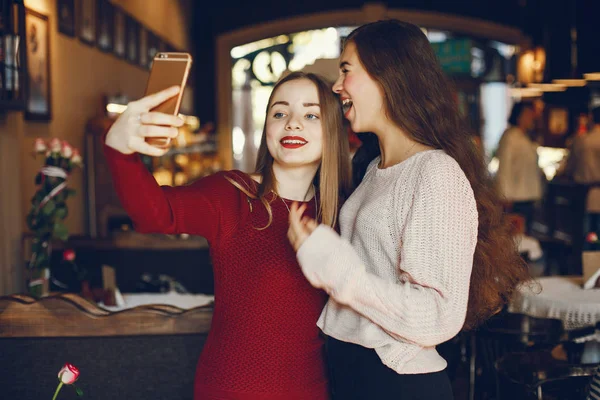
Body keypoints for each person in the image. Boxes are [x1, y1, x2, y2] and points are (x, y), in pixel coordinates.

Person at [286, 20, 530, 399]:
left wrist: (339, 272)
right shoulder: (373, 168)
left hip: (393, 380)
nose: (337, 86)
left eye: (346, 71)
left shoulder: (435, 173)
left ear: (387, 75)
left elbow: (437, 315)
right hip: (353, 369)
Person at [104, 71, 351, 399]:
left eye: (310, 114)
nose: (292, 123)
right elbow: (156, 215)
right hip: (231, 388)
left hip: (312, 389)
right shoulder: (232, 193)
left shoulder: (341, 212)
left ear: (332, 130)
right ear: (267, 129)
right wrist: (120, 151)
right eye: (279, 113)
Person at [495, 102, 543, 233]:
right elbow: (504, 168)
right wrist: (504, 195)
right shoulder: (510, 136)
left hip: (528, 196)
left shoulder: (526, 138)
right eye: (527, 115)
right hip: (516, 198)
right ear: (518, 116)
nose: (530, 118)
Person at [559, 107, 600, 234]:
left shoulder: (581, 140)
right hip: (590, 193)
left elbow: (569, 167)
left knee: (585, 235)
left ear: (591, 118)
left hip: (584, 194)